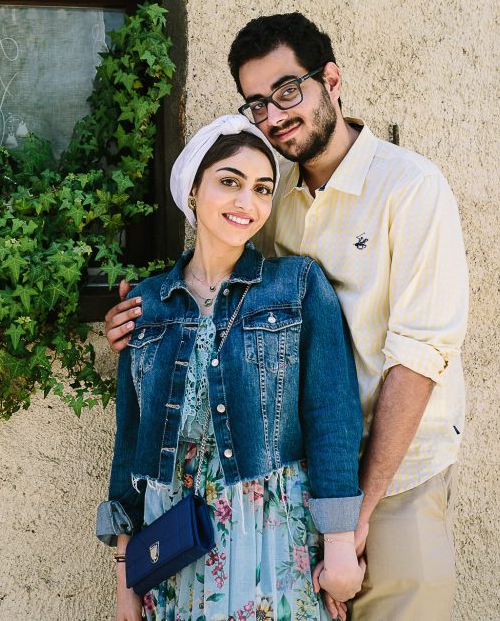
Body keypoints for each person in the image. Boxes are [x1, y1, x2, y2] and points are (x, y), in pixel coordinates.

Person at [105, 14, 470, 621]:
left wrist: (353, 518)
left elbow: (420, 356)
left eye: (287, 90)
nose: (273, 115)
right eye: (257, 103)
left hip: (397, 476)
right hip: (298, 487)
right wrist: (141, 311)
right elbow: (215, 283)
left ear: (331, 80)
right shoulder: (274, 202)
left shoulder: (410, 187)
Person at [96, 114, 366, 621]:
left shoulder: (297, 286)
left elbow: (332, 418)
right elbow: (130, 447)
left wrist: (339, 545)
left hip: (273, 536)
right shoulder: (146, 305)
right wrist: (126, 575)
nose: (247, 202)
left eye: (262, 189)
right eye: (229, 182)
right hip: (174, 543)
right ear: (193, 190)